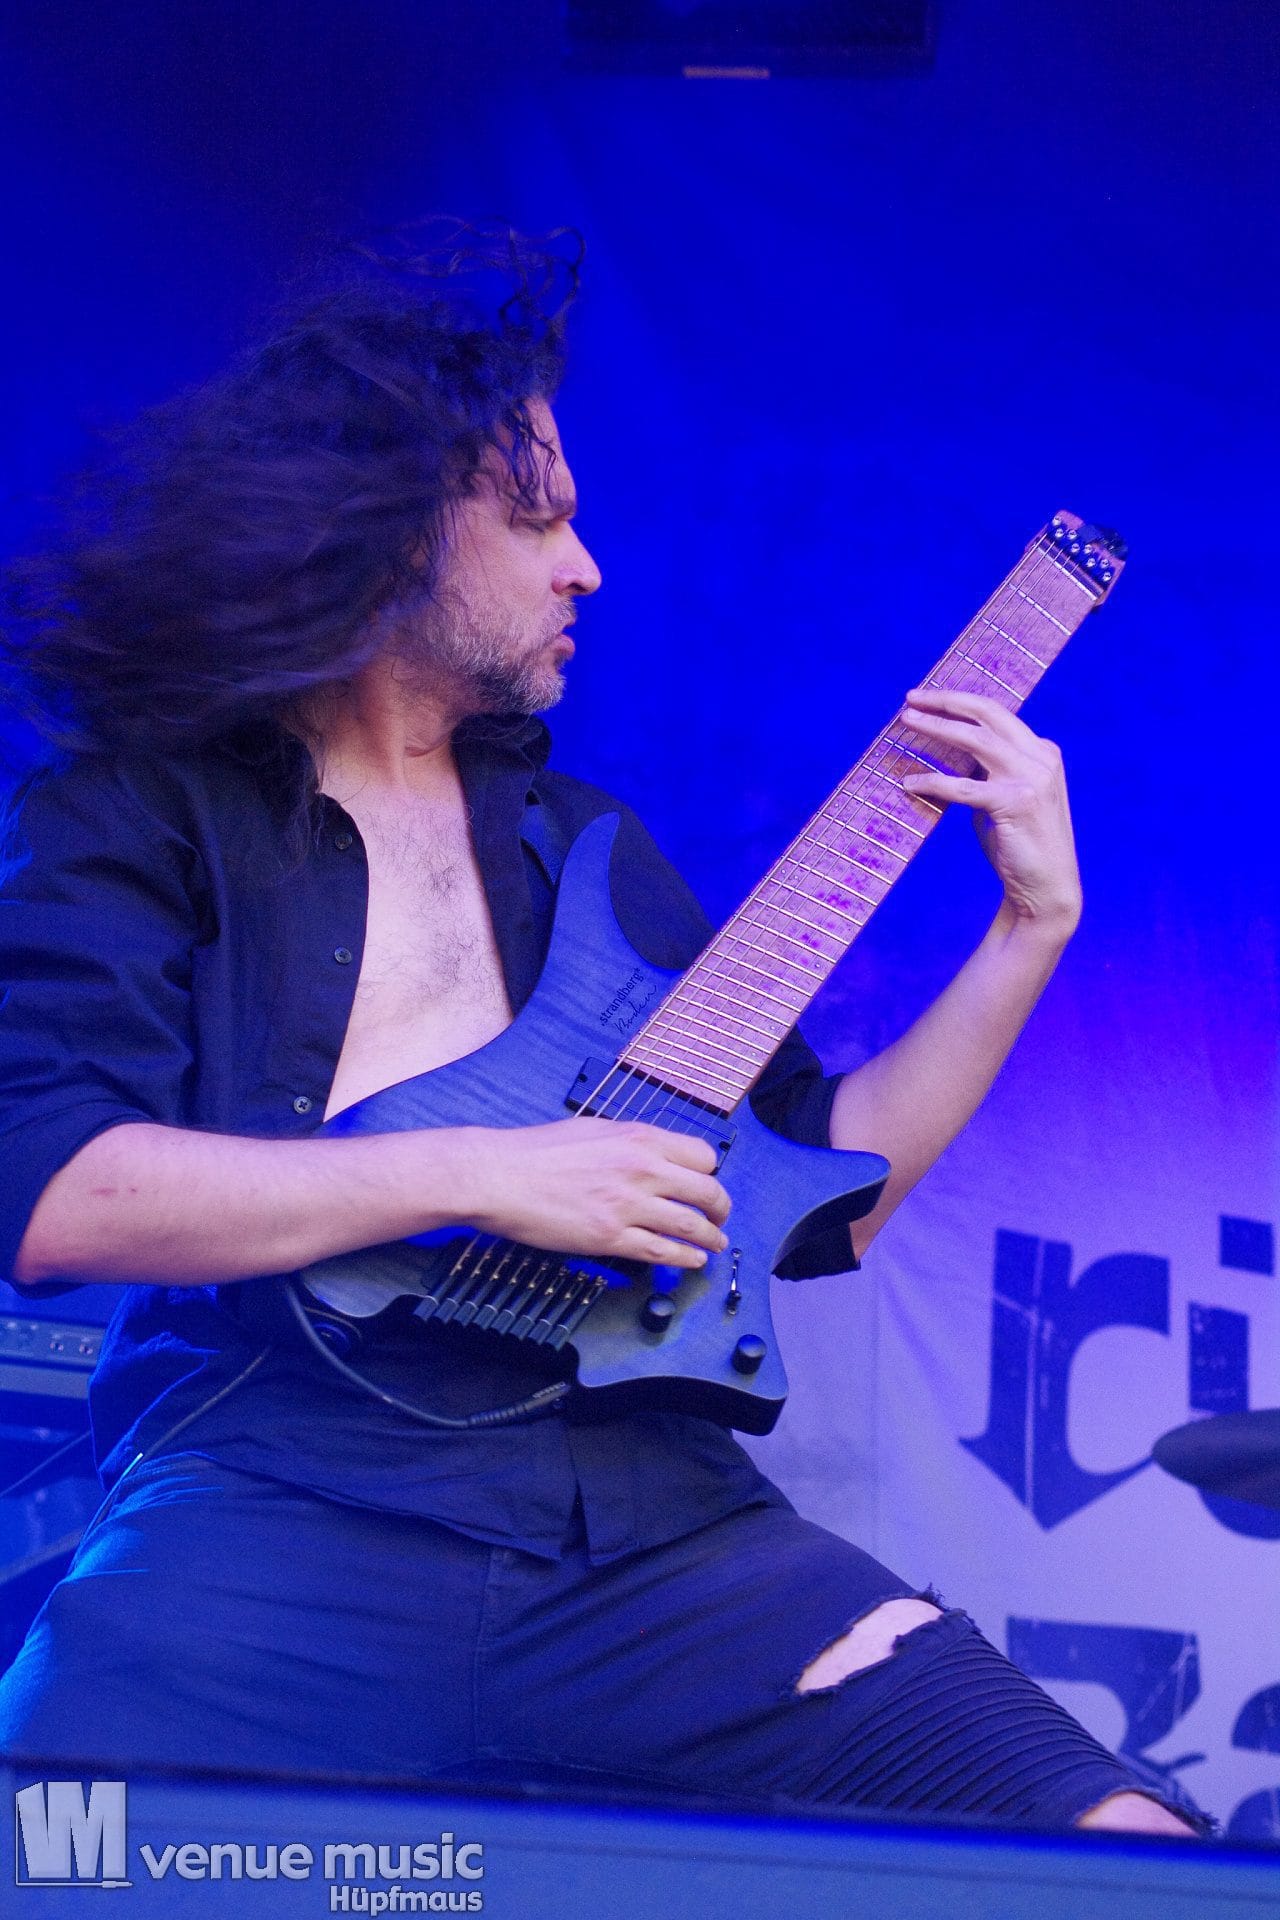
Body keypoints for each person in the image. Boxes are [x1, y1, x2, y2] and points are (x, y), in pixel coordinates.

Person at [0, 226, 1201, 1833]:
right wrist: (487, 1172)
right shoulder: (138, 815)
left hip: (649, 1530)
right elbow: (55, 1194)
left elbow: (825, 1198)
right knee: (54, 1847)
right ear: (385, 529)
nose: (588, 567)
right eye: (540, 517)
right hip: (279, 1494)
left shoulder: (591, 855)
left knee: (1121, 1847)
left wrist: (1027, 932)